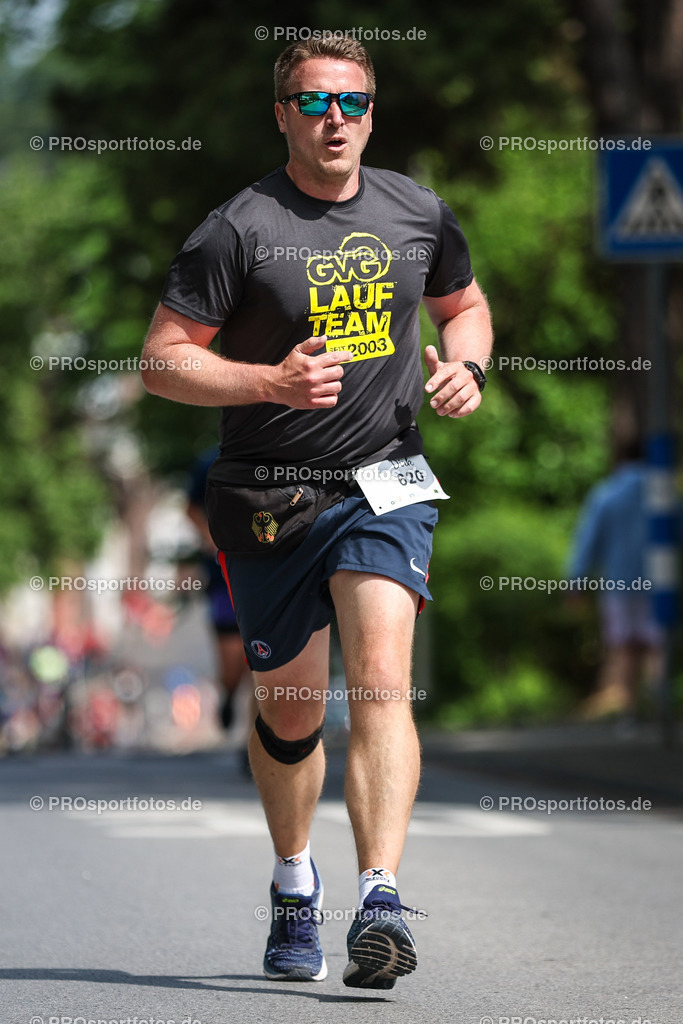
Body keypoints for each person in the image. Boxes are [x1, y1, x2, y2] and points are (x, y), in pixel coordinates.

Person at [141, 37, 492, 989]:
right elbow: (162, 359)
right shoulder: (236, 229)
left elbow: (466, 305)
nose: (333, 118)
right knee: (290, 717)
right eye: (311, 103)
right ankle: (295, 882)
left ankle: (379, 895)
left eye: (351, 101)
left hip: (387, 479)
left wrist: (466, 366)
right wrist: (267, 380)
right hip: (269, 495)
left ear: (372, 112)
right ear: (283, 115)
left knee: (381, 679)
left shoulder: (418, 211)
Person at [567, 439, 664, 721]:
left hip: (618, 584)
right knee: (656, 645)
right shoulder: (662, 491)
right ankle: (661, 707)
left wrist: (577, 580)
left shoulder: (607, 494)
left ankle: (630, 713)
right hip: (657, 582)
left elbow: (588, 539)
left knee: (624, 648)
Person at [186, 446, 252, 745]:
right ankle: (227, 694)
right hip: (222, 579)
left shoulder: (281, 453)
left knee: (263, 662)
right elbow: (191, 508)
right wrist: (212, 540)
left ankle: (256, 739)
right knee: (232, 663)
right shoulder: (210, 461)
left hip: (266, 574)